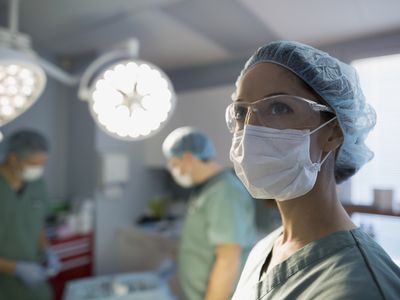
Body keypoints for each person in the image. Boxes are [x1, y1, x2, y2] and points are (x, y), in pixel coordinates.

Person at [225, 41, 400, 299]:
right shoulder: (264, 250)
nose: (250, 130)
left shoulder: (361, 286)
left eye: (278, 107)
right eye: (241, 112)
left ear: (333, 133)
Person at [162, 127, 256, 300]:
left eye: (175, 164)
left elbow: (228, 260)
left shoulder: (224, 192)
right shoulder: (206, 187)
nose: (175, 171)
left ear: (188, 157)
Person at [0, 130, 61, 300]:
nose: (38, 170)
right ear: (13, 159)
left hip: (33, 278)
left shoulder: (37, 184)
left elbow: (36, 221)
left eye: (43, 164)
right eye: (34, 164)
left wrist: (46, 249)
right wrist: (16, 268)